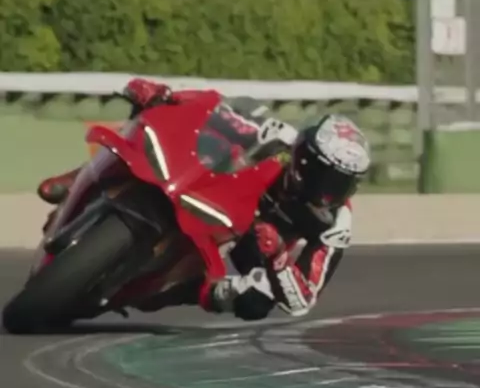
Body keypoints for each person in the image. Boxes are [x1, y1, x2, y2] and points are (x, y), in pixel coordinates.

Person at [38, 78, 371, 321]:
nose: (328, 192)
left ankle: (164, 289)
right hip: (218, 197)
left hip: (251, 248)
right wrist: (165, 96)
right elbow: (212, 106)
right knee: (157, 135)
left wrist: (278, 258)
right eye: (326, 177)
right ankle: (80, 176)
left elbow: (303, 299)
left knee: (256, 301)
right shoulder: (279, 137)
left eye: (342, 184)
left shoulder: (336, 221)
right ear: (304, 157)